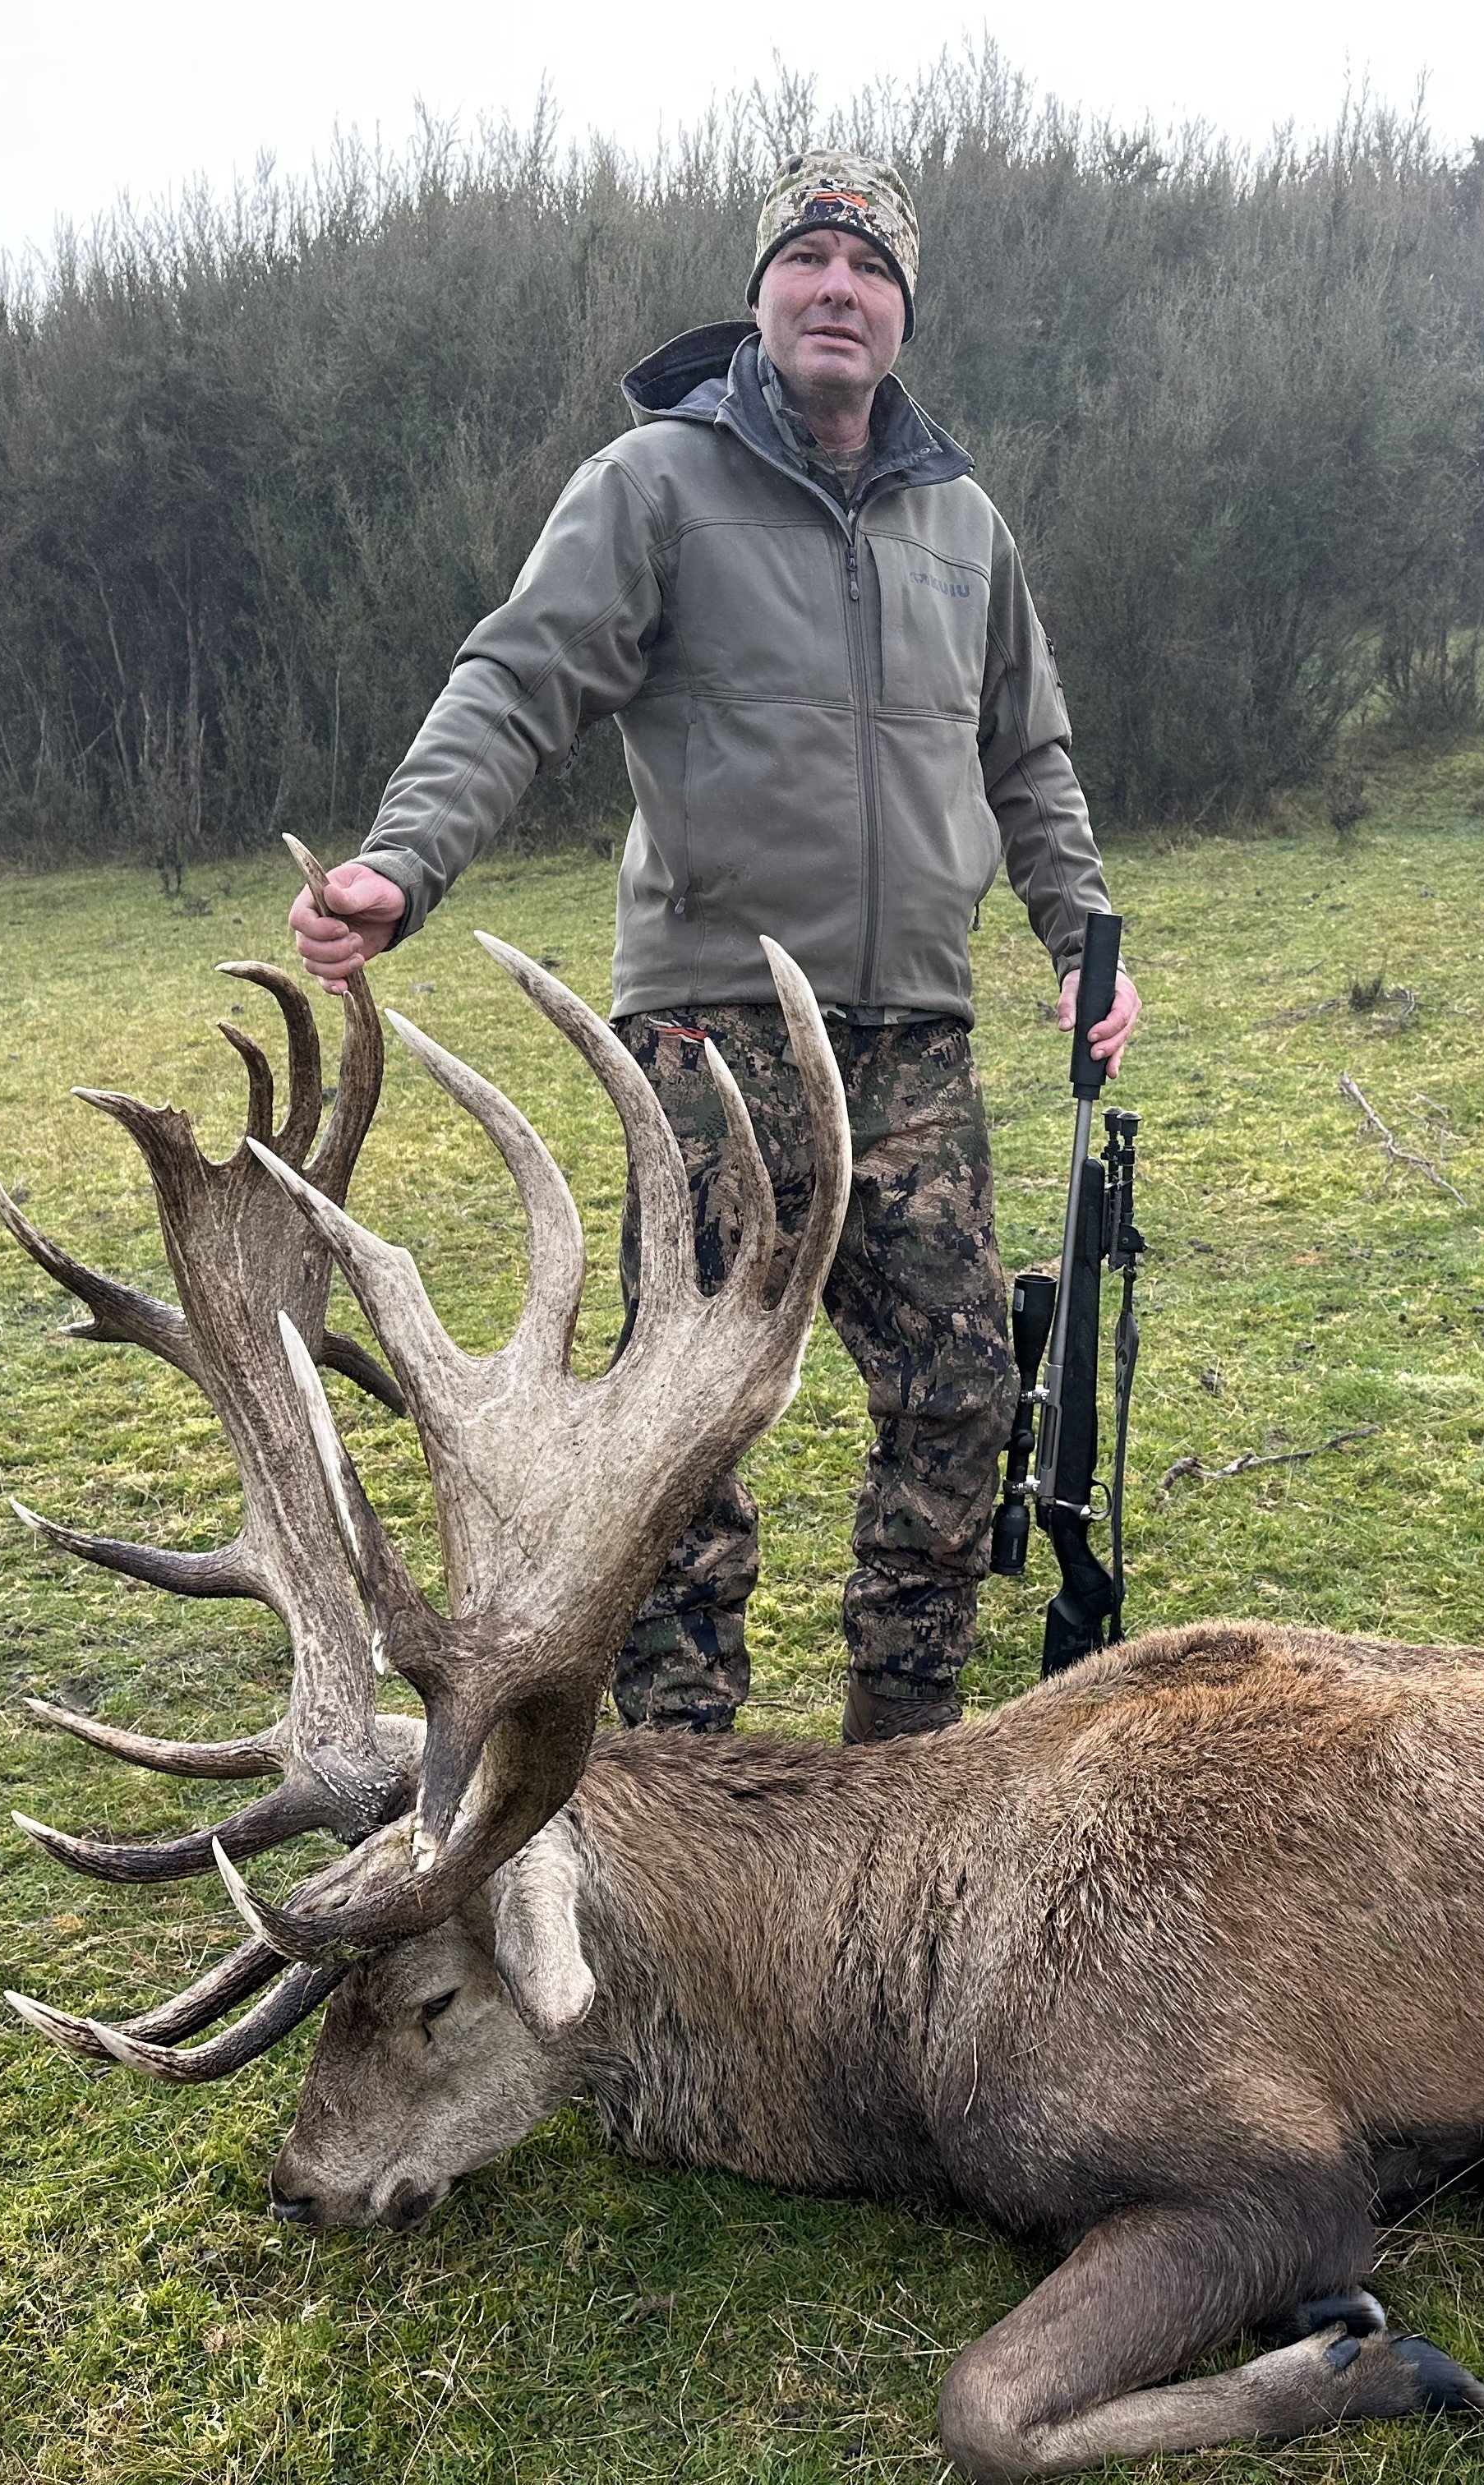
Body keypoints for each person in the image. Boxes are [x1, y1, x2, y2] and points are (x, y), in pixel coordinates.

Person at [289, 150, 1139, 1746]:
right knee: (682, 1444)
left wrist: (1084, 936)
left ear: (902, 309)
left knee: (962, 1405)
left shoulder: (963, 522)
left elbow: (1029, 756)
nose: (839, 289)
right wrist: (403, 864)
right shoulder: (655, 482)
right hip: (711, 1046)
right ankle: (685, 1789)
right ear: (761, 295)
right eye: (809, 262)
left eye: (869, 268)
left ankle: (909, 1765)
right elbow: (519, 678)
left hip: (916, 1053)